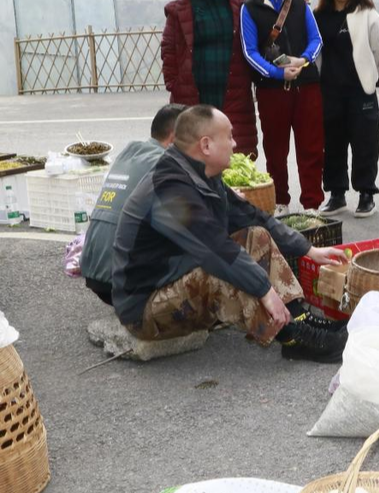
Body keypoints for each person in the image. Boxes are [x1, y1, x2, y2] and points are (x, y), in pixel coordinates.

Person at [112, 105, 349, 363]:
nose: (235, 143)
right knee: (220, 271)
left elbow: (252, 216)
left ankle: (299, 319)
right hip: (144, 307)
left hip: (173, 275)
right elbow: (217, 251)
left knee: (255, 235)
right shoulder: (171, 187)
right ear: (206, 146)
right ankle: (292, 335)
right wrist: (266, 291)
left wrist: (309, 249)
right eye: (229, 136)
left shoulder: (200, 173)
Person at [241, 0, 324, 215]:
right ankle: (280, 202)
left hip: (307, 86)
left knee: (311, 146)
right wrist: (278, 73)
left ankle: (312, 204)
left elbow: (316, 40)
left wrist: (303, 60)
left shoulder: (298, 2)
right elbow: (250, 52)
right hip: (272, 91)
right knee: (275, 149)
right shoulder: (250, 8)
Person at [82, 104, 186, 305]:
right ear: (173, 138)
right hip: (124, 283)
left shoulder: (130, 152)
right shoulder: (166, 162)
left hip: (95, 276)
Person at [161, 0, 257, 157]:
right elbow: (169, 49)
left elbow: (251, 37)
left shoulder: (236, 1)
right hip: (195, 90)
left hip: (232, 88)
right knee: (197, 151)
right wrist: (175, 83)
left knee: (235, 149)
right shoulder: (179, 9)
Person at [314, 0, 379, 219]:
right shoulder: (319, 15)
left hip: (360, 90)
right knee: (332, 142)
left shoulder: (367, 15)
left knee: (365, 141)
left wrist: (372, 76)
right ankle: (337, 194)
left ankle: (366, 194)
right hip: (328, 89)